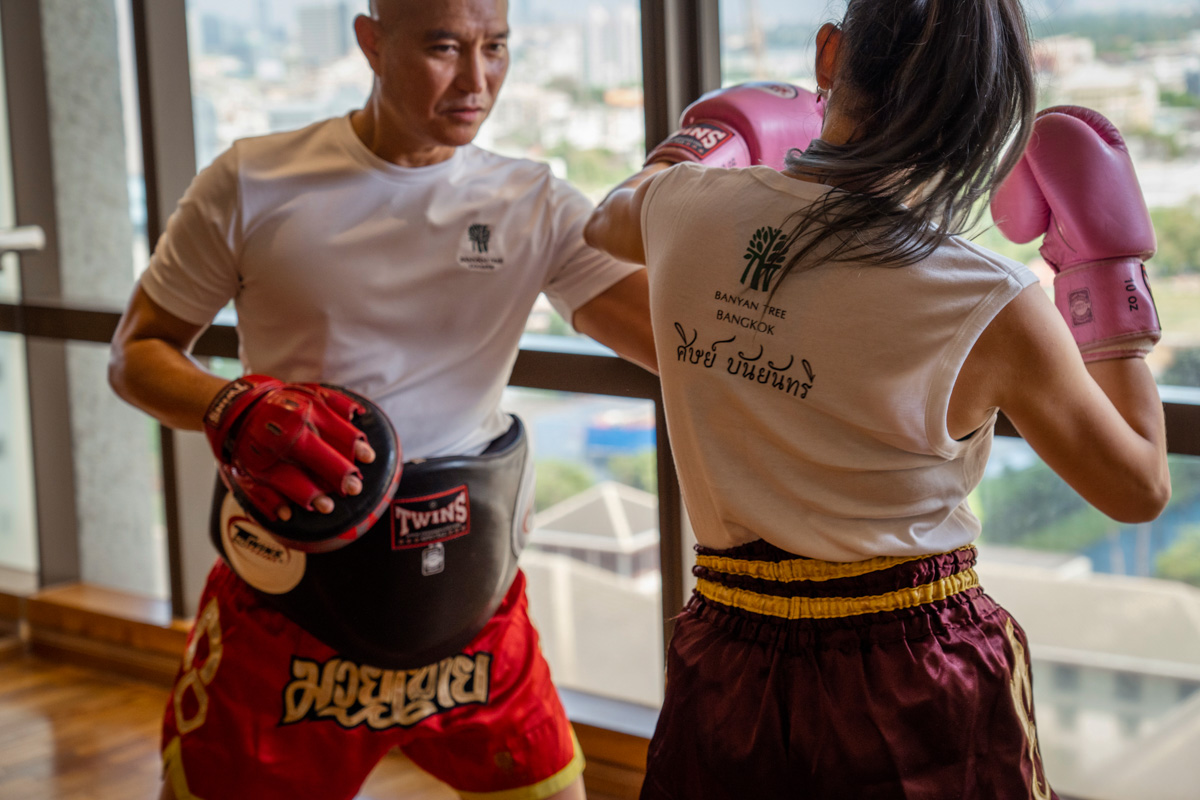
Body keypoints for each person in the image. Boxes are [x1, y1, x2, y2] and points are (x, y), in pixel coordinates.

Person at [584, 1, 1170, 797]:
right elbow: (1138, 487)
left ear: (829, 55)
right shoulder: (988, 299)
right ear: (993, 118)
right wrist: (1108, 270)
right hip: (913, 670)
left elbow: (605, 221)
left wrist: (715, 141)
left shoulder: (682, 208)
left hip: (727, 651)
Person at [108, 1, 656, 798]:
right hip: (289, 604)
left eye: (495, 47)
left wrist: (719, 215)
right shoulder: (253, 178)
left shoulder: (531, 200)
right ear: (371, 41)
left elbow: (681, 344)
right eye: (445, 47)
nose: (476, 80)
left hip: (471, 604)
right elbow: (136, 354)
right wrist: (230, 406)